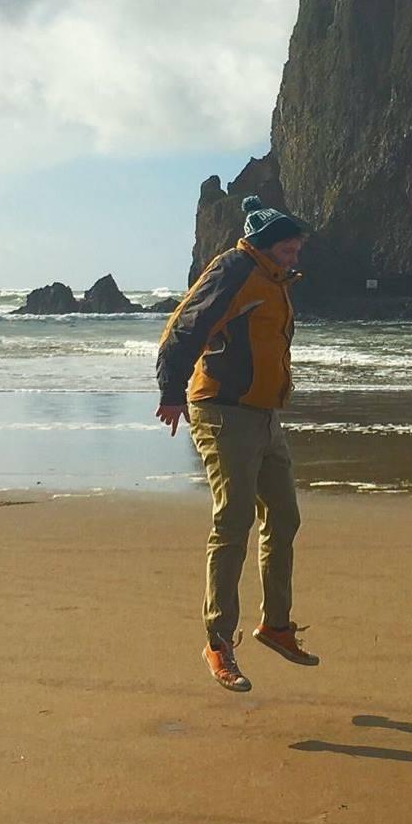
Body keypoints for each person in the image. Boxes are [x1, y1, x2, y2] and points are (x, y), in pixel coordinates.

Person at [157, 194, 317, 692]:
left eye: (296, 250)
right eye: (288, 249)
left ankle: (275, 625)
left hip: (265, 415)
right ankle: (218, 643)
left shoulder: (274, 281)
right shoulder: (234, 269)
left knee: (285, 516)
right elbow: (184, 327)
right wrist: (171, 391)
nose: (294, 257)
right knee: (233, 522)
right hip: (223, 412)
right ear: (266, 244)